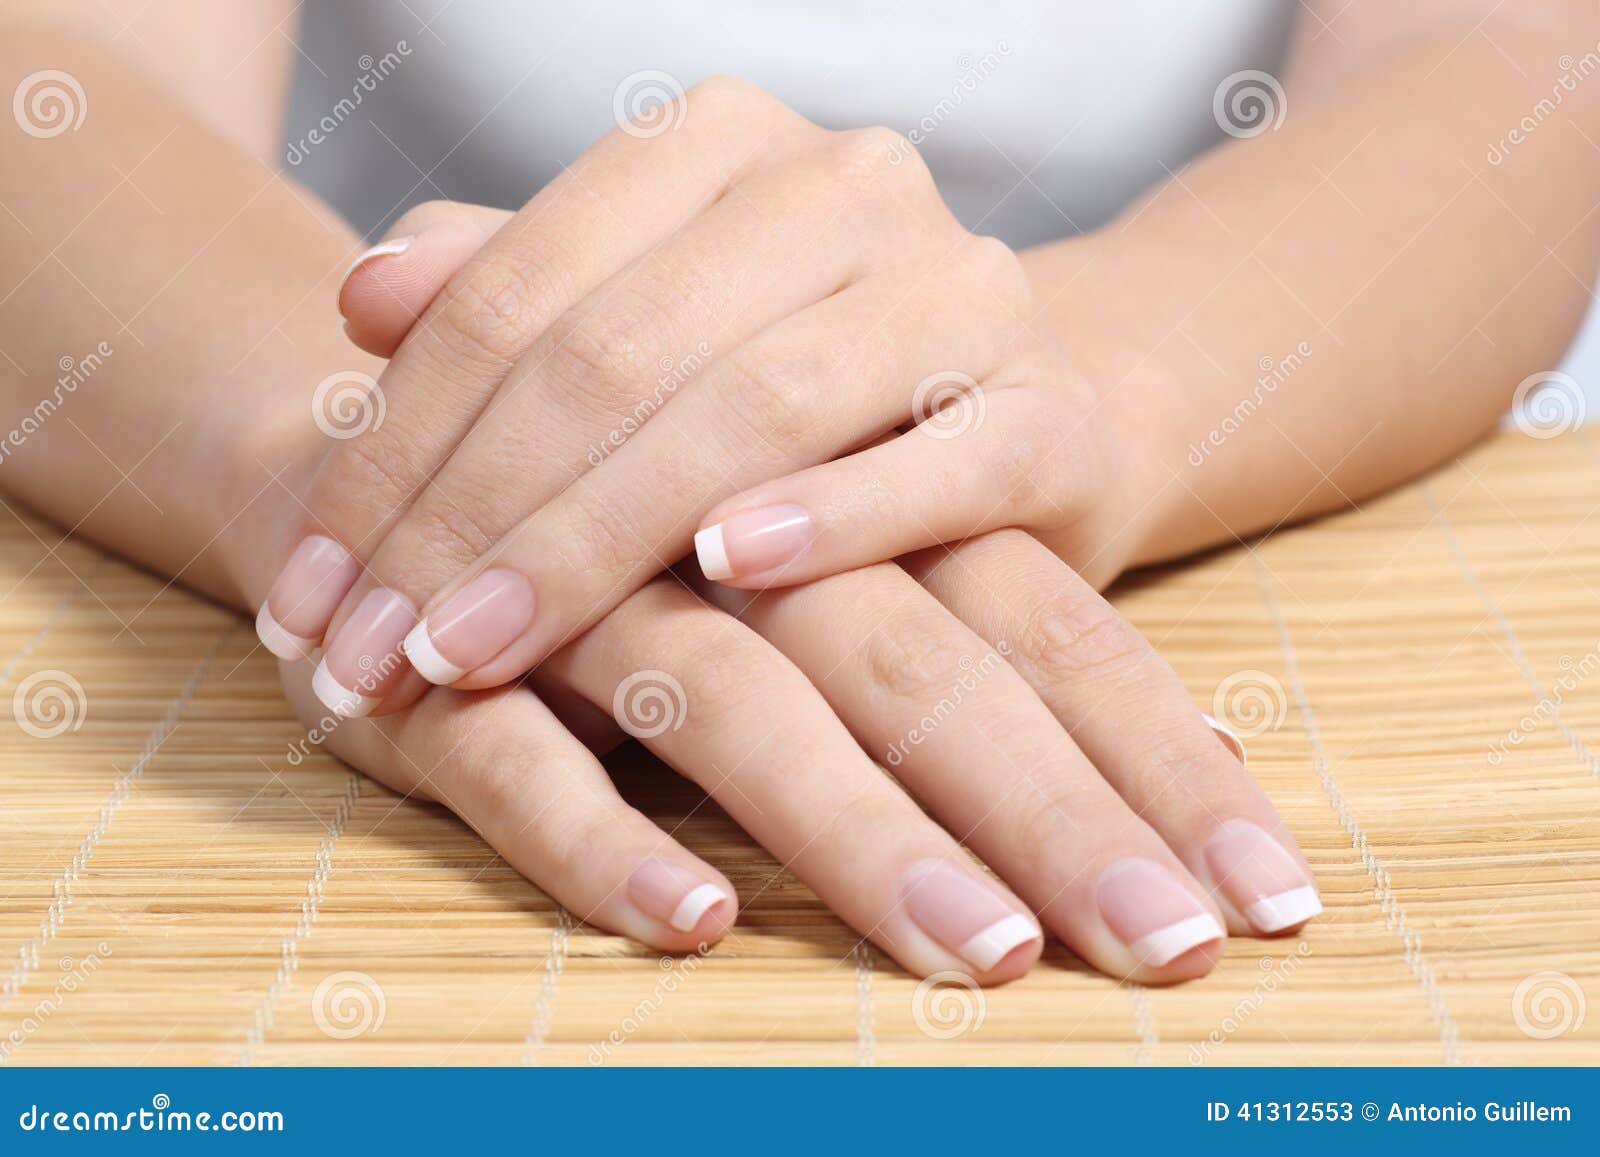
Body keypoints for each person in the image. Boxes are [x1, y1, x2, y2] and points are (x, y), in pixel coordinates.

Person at [3, 1, 1595, 987]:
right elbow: (58, 66)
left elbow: (1515, 58)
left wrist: (1068, 396)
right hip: (360, 361)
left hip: (1221, 382)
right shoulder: (403, 457)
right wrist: (373, 461)